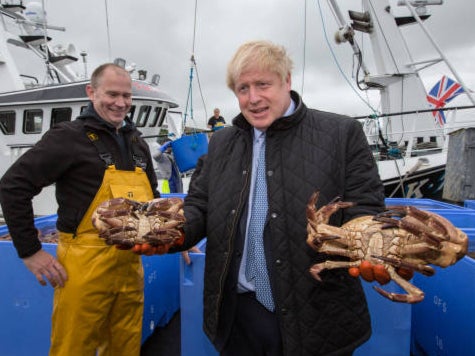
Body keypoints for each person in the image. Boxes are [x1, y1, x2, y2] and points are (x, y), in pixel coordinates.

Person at [174, 40, 385, 355]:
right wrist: (172, 232)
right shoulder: (220, 144)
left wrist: (372, 249)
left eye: (263, 84)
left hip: (317, 316)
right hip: (238, 314)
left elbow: (365, 211)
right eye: (243, 88)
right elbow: (200, 207)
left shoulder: (342, 134)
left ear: (287, 81)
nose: (253, 98)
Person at [0, 63, 160, 355]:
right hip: (83, 271)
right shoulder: (68, 137)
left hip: (130, 268)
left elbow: (152, 199)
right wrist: (30, 251)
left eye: (126, 96)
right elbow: (12, 186)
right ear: (91, 92)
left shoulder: (138, 144)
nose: (121, 103)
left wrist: (174, 236)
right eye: (112, 94)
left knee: (126, 347)